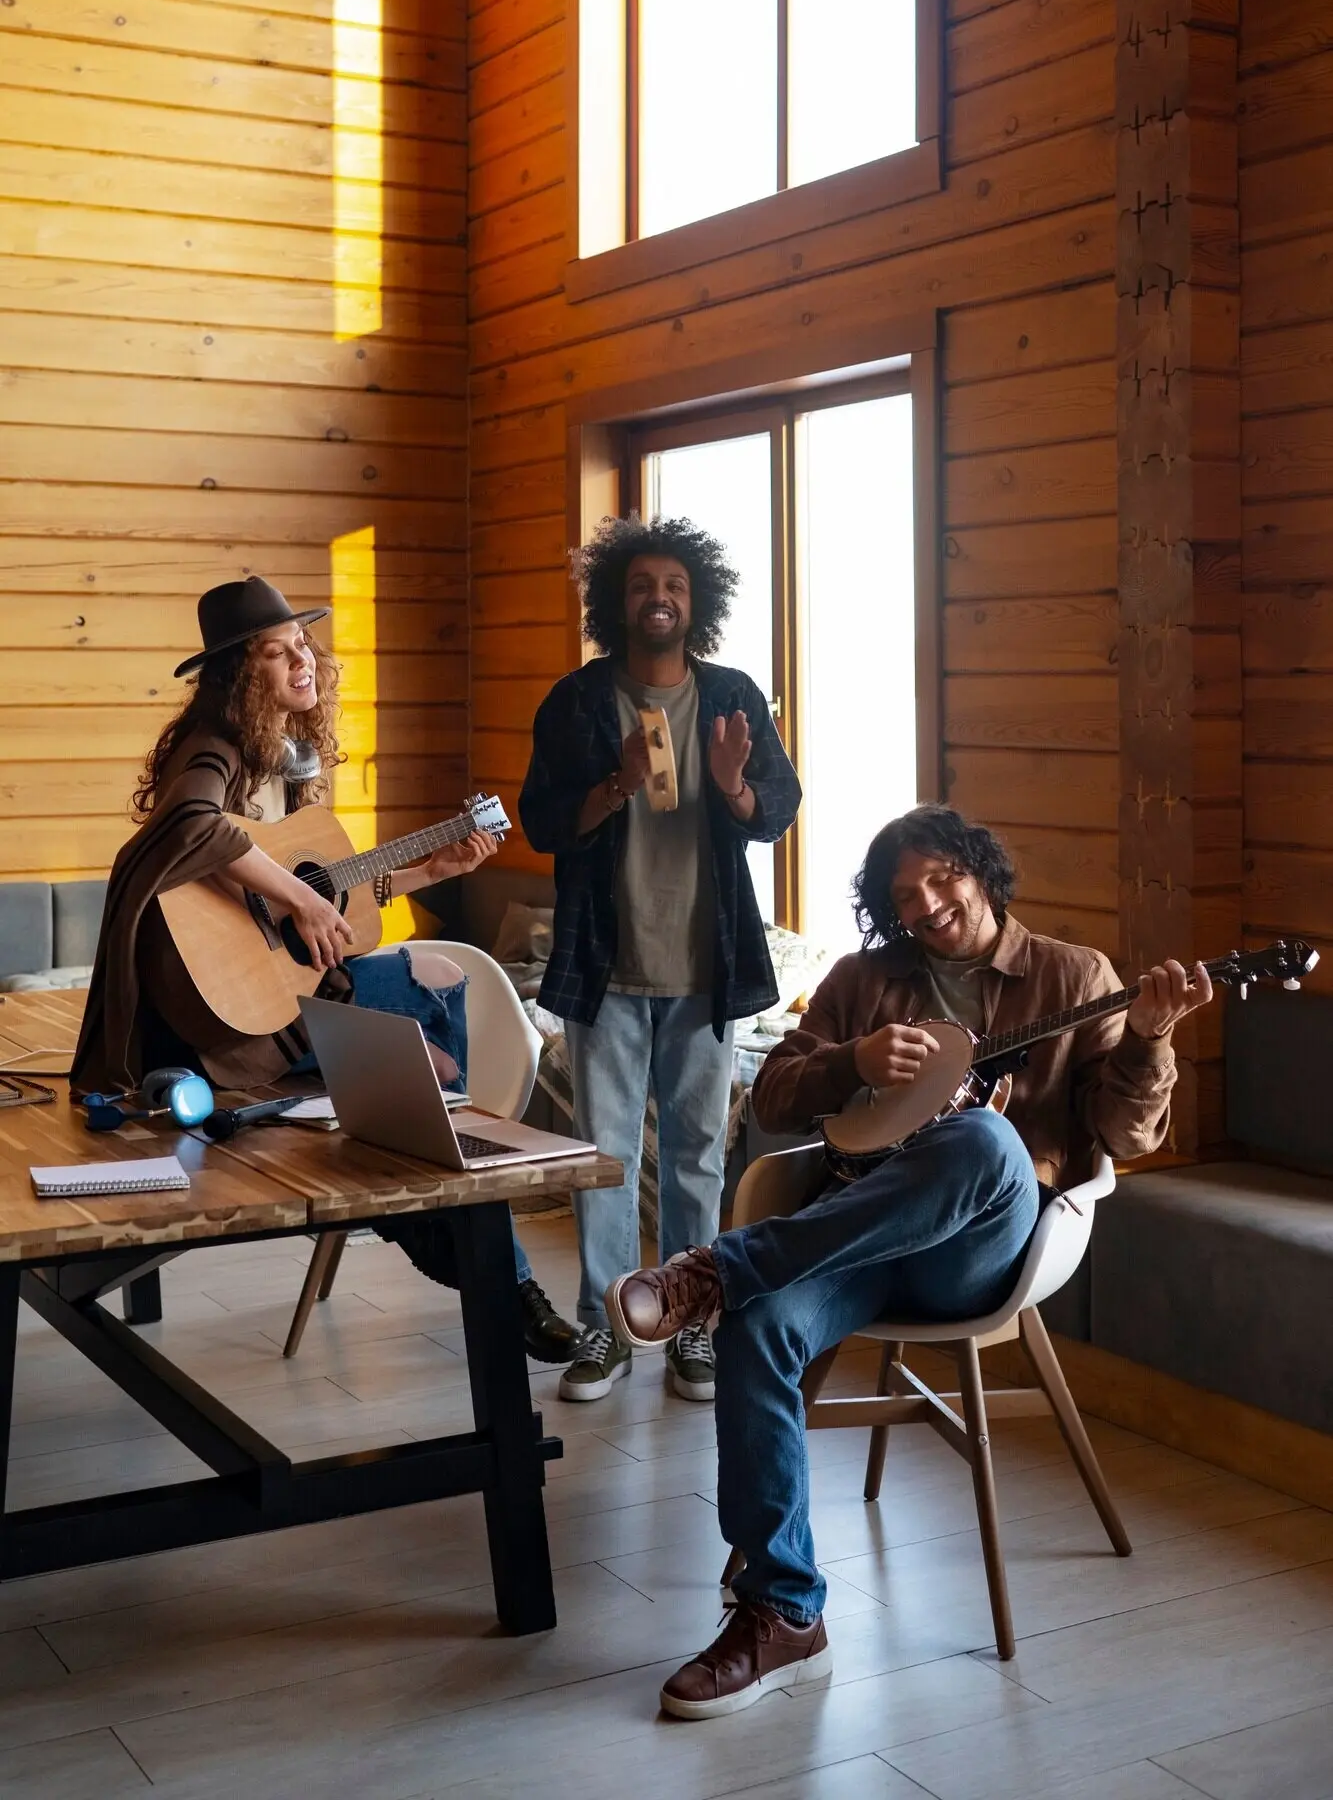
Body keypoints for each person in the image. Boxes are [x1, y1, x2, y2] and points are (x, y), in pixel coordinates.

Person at [604, 804, 1214, 1718]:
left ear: (980, 870)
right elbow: (770, 1093)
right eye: (904, 898)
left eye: (942, 881)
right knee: (763, 1326)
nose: (927, 906)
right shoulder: (864, 981)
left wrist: (1151, 1036)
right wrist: (854, 1058)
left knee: (981, 1142)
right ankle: (782, 1612)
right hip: (856, 1236)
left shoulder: (1072, 976)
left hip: (977, 1252)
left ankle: (716, 1270)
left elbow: (1127, 1133)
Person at [72, 575, 582, 1365]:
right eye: (278, 653)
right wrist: (301, 907)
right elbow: (190, 824)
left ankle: (431, 1183)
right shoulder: (212, 750)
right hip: (218, 1022)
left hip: (284, 997)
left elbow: (322, 897)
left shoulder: (289, 761)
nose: (302, 661)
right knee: (415, 1067)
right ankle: (458, 1229)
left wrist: (427, 873)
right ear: (240, 675)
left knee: (431, 992)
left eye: (304, 644)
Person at [519, 517, 802, 1404]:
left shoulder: (732, 696)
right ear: (616, 600)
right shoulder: (575, 701)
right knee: (602, 1157)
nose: (659, 599)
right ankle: (604, 1330)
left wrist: (732, 787)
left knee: (695, 1158)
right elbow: (541, 822)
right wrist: (615, 786)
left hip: (708, 967)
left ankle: (691, 1328)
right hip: (603, 965)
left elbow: (778, 807)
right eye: (642, 585)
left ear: (696, 600)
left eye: (674, 586)